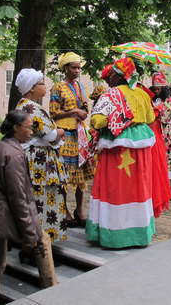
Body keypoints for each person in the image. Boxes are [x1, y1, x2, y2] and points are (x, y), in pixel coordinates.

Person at [0, 111, 57, 305]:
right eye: (29, 126)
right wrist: (30, 233)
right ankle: (53, 295)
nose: (32, 130)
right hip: (2, 215)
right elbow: (19, 197)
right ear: (16, 128)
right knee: (42, 241)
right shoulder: (14, 155)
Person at [86, 58, 156, 248]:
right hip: (139, 146)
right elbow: (150, 117)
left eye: (110, 76)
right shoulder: (142, 93)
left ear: (118, 76)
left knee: (114, 187)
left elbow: (98, 121)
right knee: (138, 187)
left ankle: (114, 234)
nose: (108, 80)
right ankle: (138, 234)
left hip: (116, 145)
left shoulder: (110, 95)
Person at [15, 68, 77, 243]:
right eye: (41, 83)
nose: (45, 85)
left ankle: (33, 243)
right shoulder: (31, 107)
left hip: (34, 158)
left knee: (35, 201)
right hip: (41, 162)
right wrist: (61, 131)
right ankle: (42, 246)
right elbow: (49, 135)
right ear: (32, 88)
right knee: (44, 200)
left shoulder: (22, 105)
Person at [50, 52, 93, 227]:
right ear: (65, 68)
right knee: (64, 175)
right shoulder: (57, 87)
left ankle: (80, 210)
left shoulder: (81, 87)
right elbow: (53, 112)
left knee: (81, 174)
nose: (77, 71)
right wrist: (73, 112)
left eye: (79, 68)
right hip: (64, 133)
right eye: (74, 67)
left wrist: (82, 111)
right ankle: (64, 210)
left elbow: (85, 108)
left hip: (80, 134)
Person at [145, 72, 171, 215]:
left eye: (159, 89)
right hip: (149, 133)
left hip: (158, 135)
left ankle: (156, 198)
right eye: (154, 88)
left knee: (157, 166)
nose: (156, 91)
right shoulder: (149, 99)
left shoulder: (167, 102)